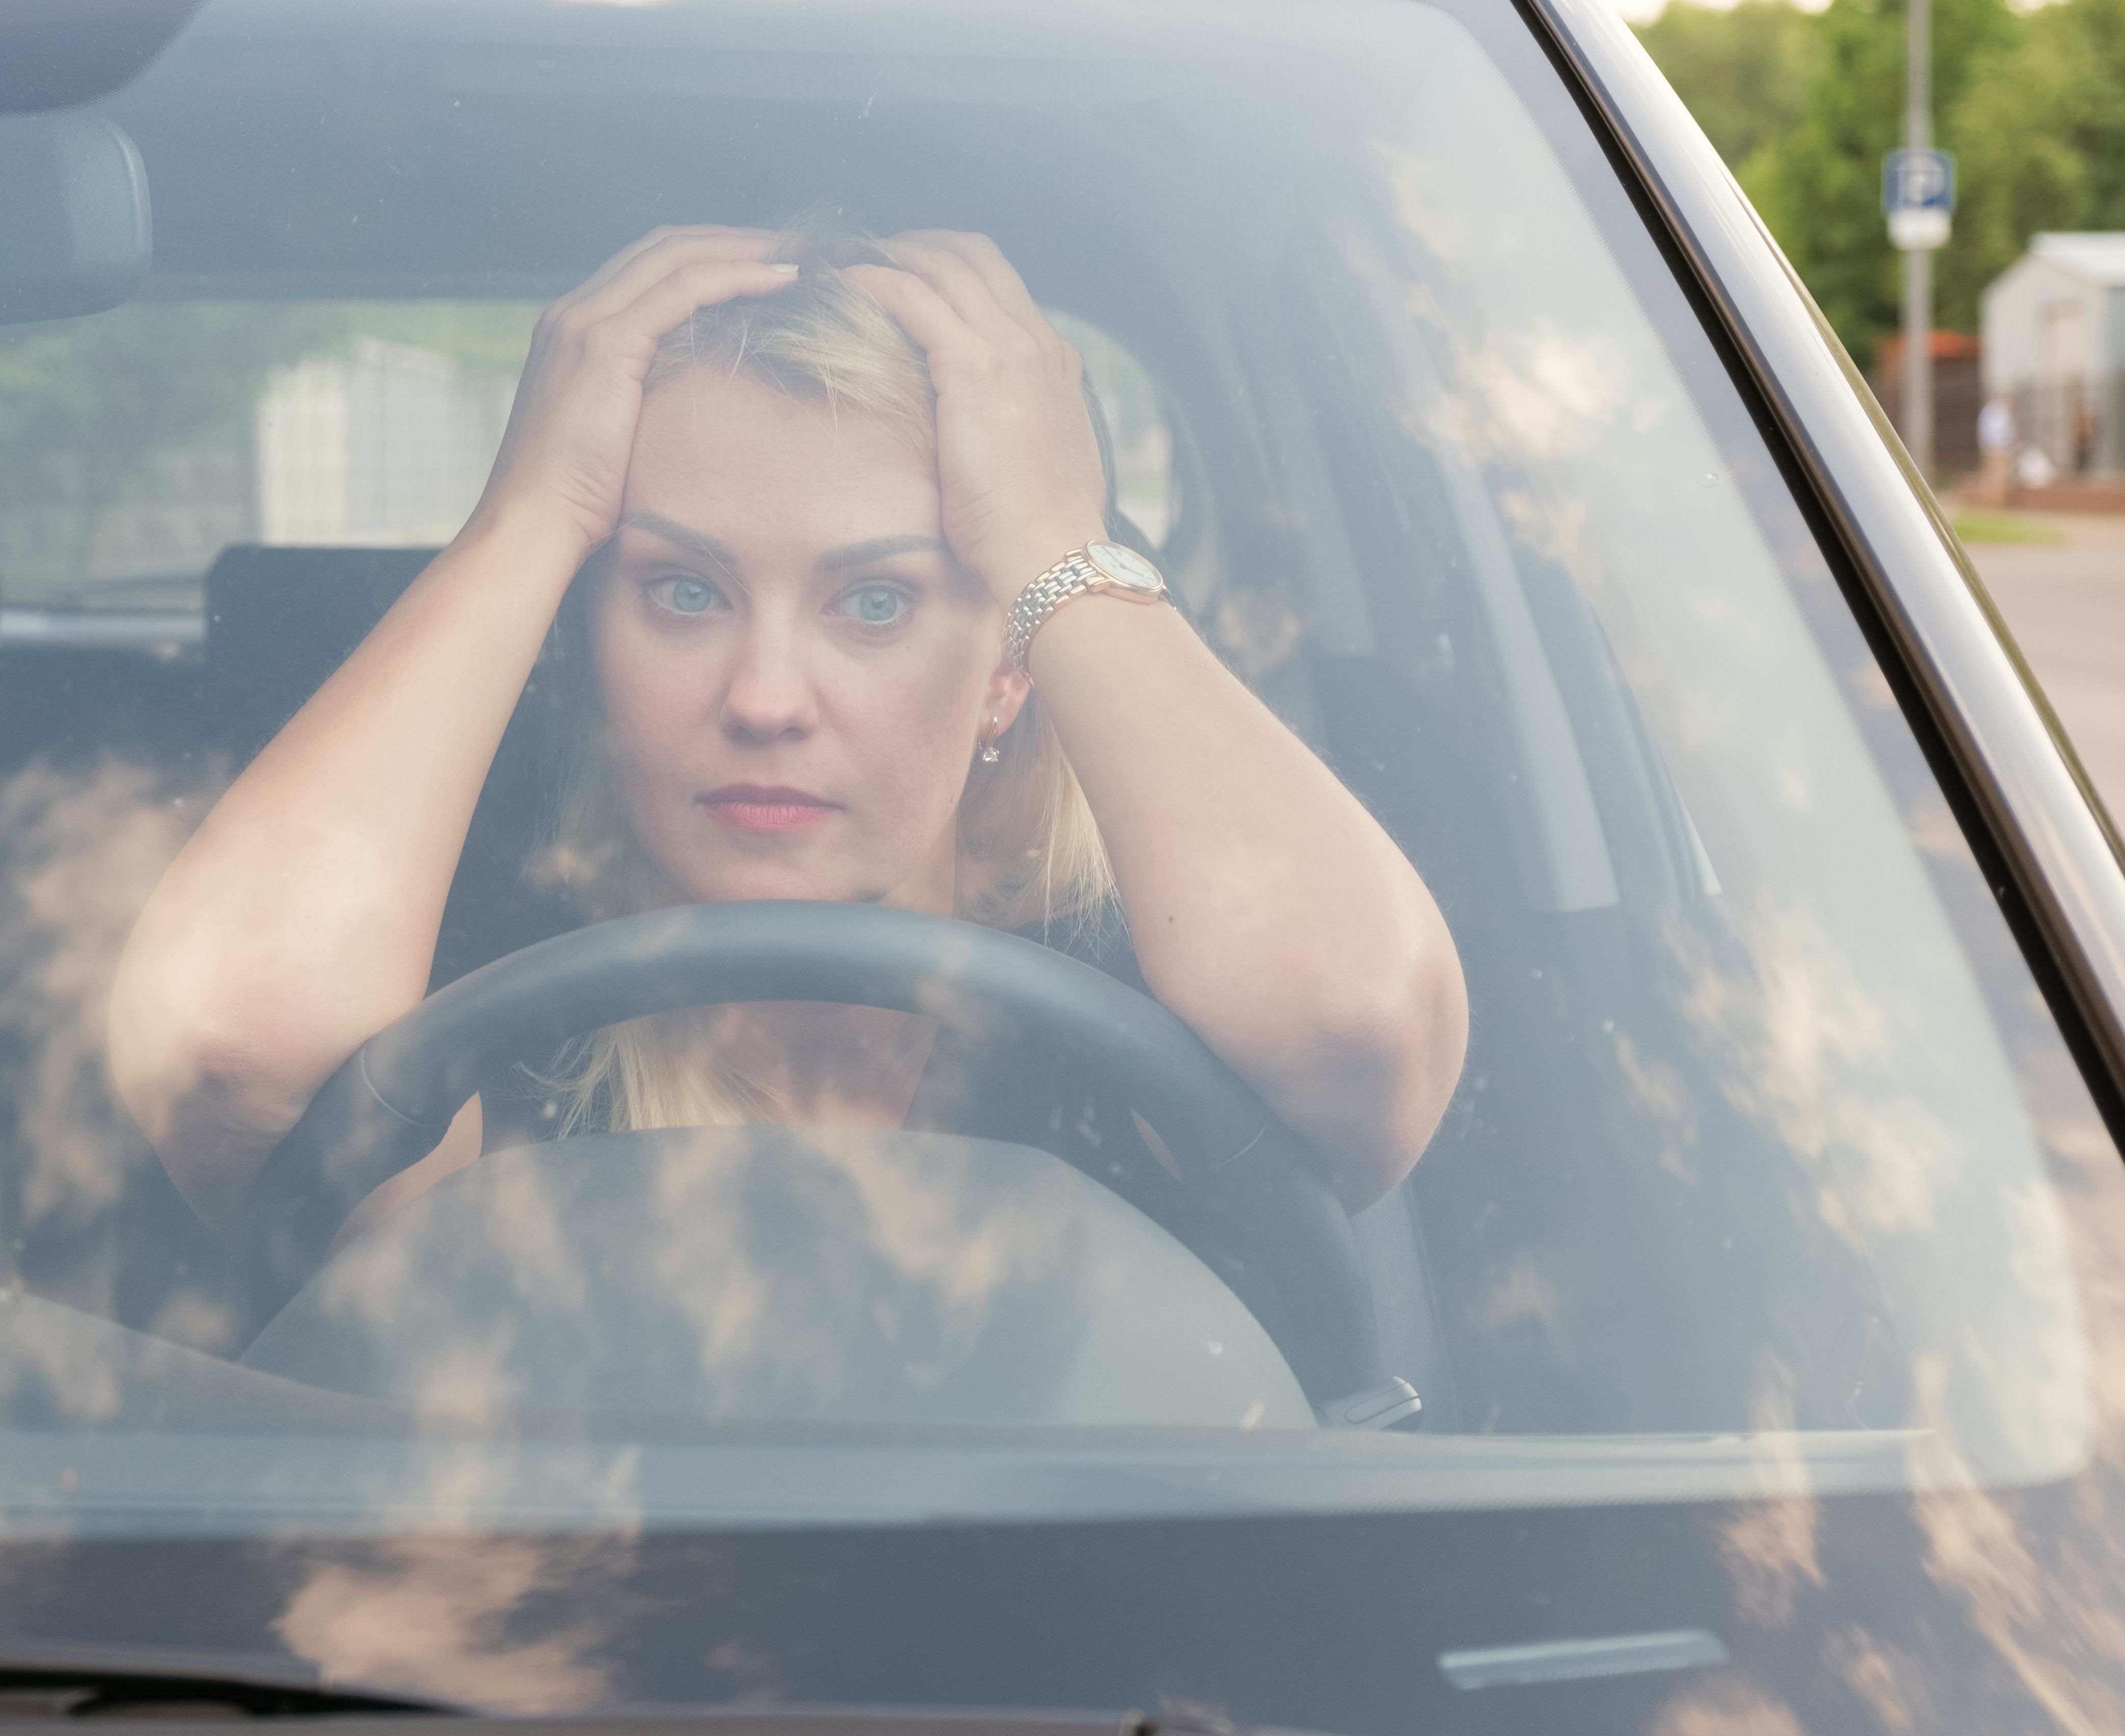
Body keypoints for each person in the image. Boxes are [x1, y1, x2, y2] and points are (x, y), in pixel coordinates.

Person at [109, 220, 1470, 1253]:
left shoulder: (1138, 1027)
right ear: (591, 636)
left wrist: (1057, 543)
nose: (765, 697)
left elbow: (1349, 1033)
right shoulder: (462, 1029)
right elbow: (238, 1060)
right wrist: (523, 522)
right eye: (682, 592)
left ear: (1009, 672)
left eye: (873, 602)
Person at [1976, 394, 2015, 508]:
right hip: (1996, 448)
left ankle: (1995, 500)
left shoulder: (1991, 412)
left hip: (1996, 448)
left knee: (1996, 474)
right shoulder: (1997, 412)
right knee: (1995, 474)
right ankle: (1993, 500)